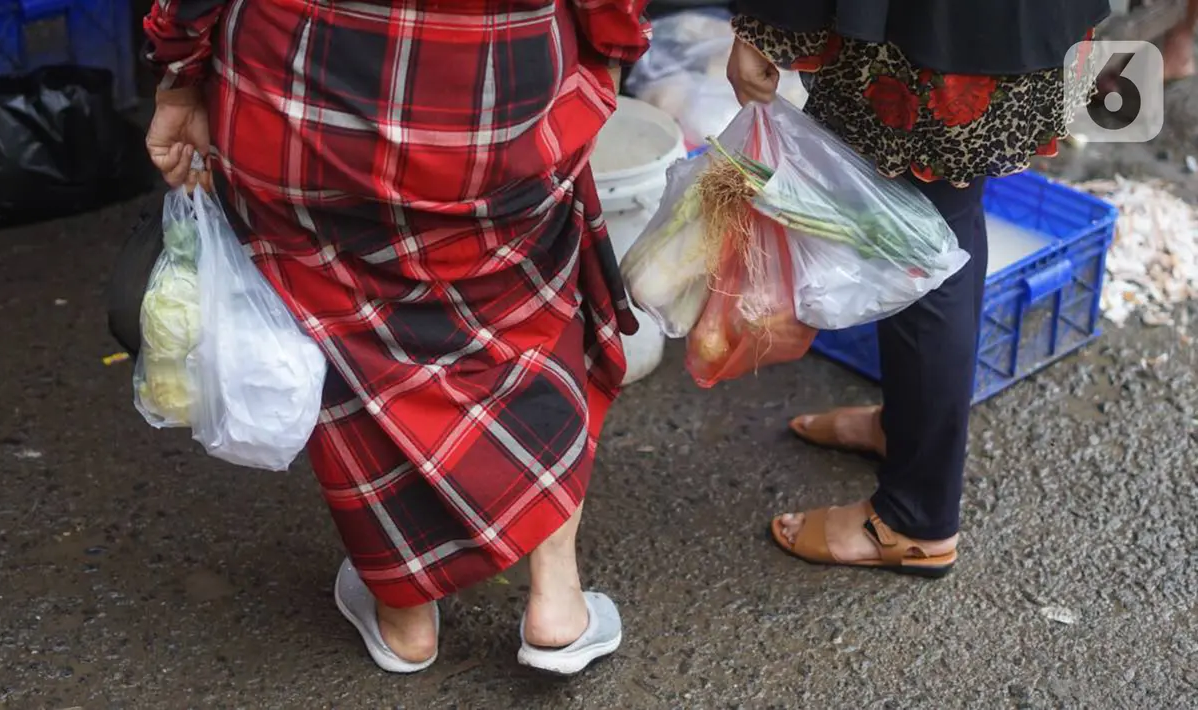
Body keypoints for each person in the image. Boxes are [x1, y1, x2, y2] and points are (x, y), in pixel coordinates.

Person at [142, 0, 649, 674]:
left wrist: (180, 73)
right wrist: (613, 49)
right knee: (531, 318)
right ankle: (555, 600)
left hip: (297, 99)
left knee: (347, 341)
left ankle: (404, 613)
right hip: (498, 97)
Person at [726, 0, 1110, 576]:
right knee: (949, 210)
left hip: (937, 29)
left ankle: (914, 519)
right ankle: (907, 429)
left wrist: (767, 22)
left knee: (925, 231)